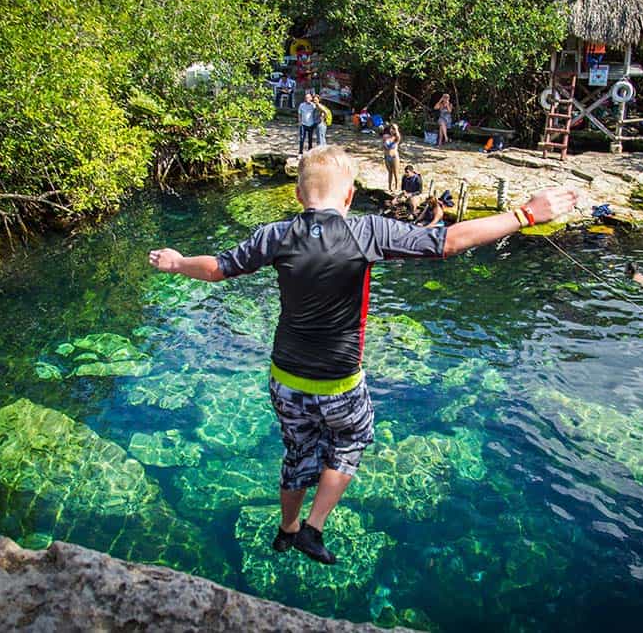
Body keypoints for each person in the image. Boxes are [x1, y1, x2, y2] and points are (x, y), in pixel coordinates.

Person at [147, 146, 578, 565]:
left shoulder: (275, 235)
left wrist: (176, 261)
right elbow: (448, 241)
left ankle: (288, 527)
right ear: (350, 196)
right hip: (340, 384)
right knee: (350, 439)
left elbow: (216, 269)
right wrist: (524, 215)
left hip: (286, 380)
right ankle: (314, 527)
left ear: (299, 195)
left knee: (298, 454)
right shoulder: (367, 230)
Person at [382, 123, 401, 194]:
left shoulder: (397, 137)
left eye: (394, 129)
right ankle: (389, 187)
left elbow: (398, 137)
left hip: (394, 157)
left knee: (396, 173)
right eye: (392, 128)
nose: (392, 130)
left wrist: (396, 129)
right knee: (390, 172)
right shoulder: (385, 136)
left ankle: (396, 187)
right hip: (387, 156)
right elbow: (383, 146)